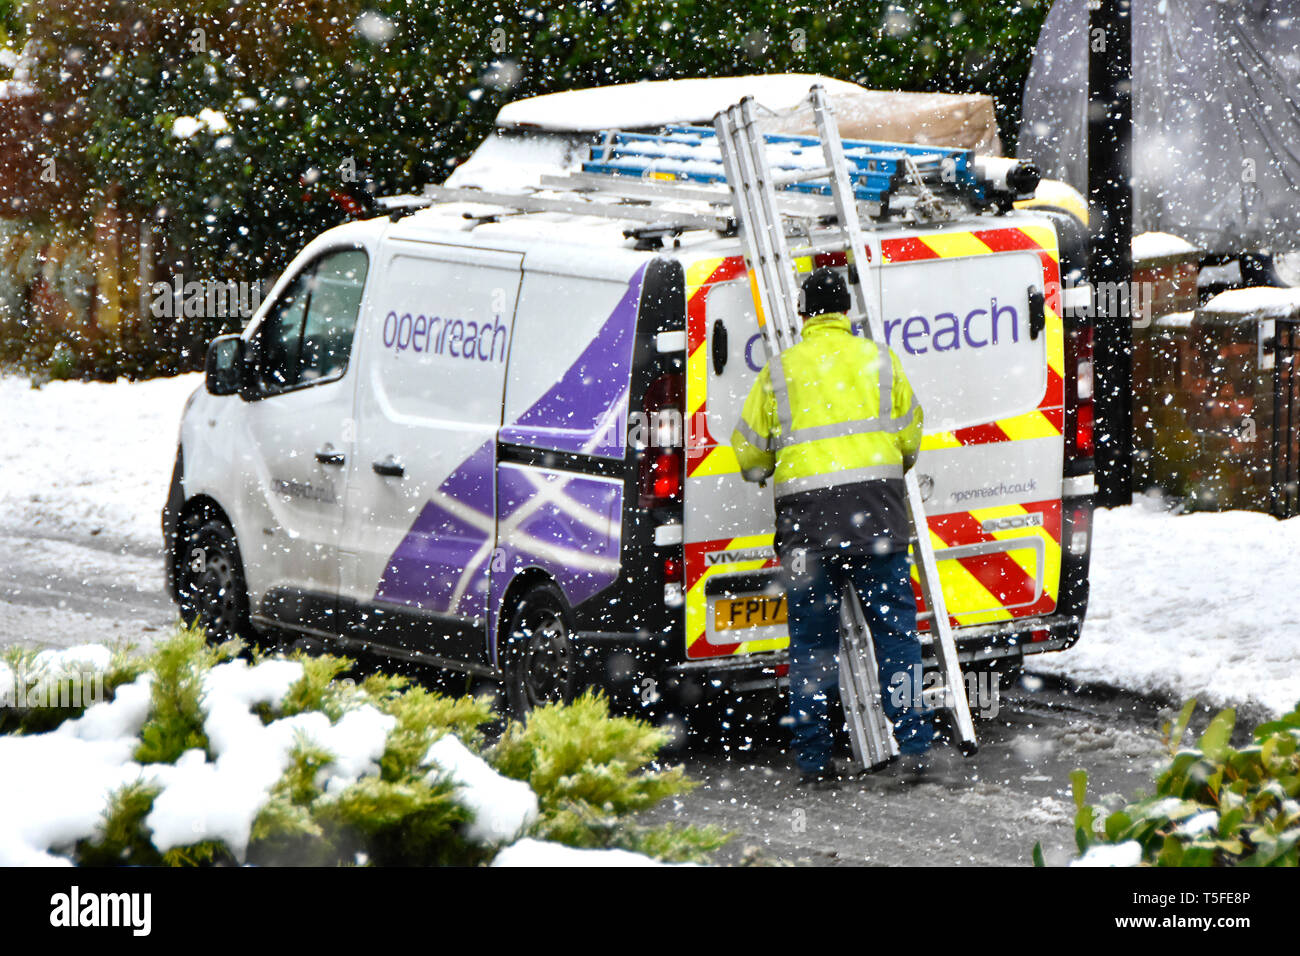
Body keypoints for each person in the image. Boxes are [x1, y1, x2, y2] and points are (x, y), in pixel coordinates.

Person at [730, 267, 936, 787]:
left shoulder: (780, 370)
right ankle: (914, 748)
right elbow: (911, 436)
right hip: (880, 520)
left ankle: (813, 760)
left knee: (812, 647)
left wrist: (768, 470)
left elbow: (749, 454)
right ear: (846, 312)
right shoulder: (881, 361)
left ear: (804, 314)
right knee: (896, 638)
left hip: (806, 532)